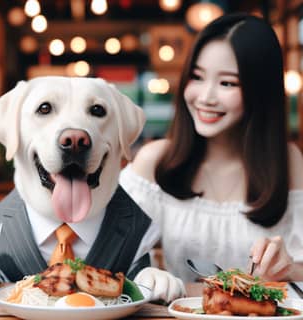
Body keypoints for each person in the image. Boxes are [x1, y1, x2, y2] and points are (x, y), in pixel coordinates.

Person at [120, 12, 303, 291]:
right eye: (197, 77)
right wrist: (148, 275)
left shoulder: (289, 162)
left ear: (260, 91)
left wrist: (288, 268)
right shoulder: (155, 161)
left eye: (227, 83)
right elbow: (113, 259)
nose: (205, 97)